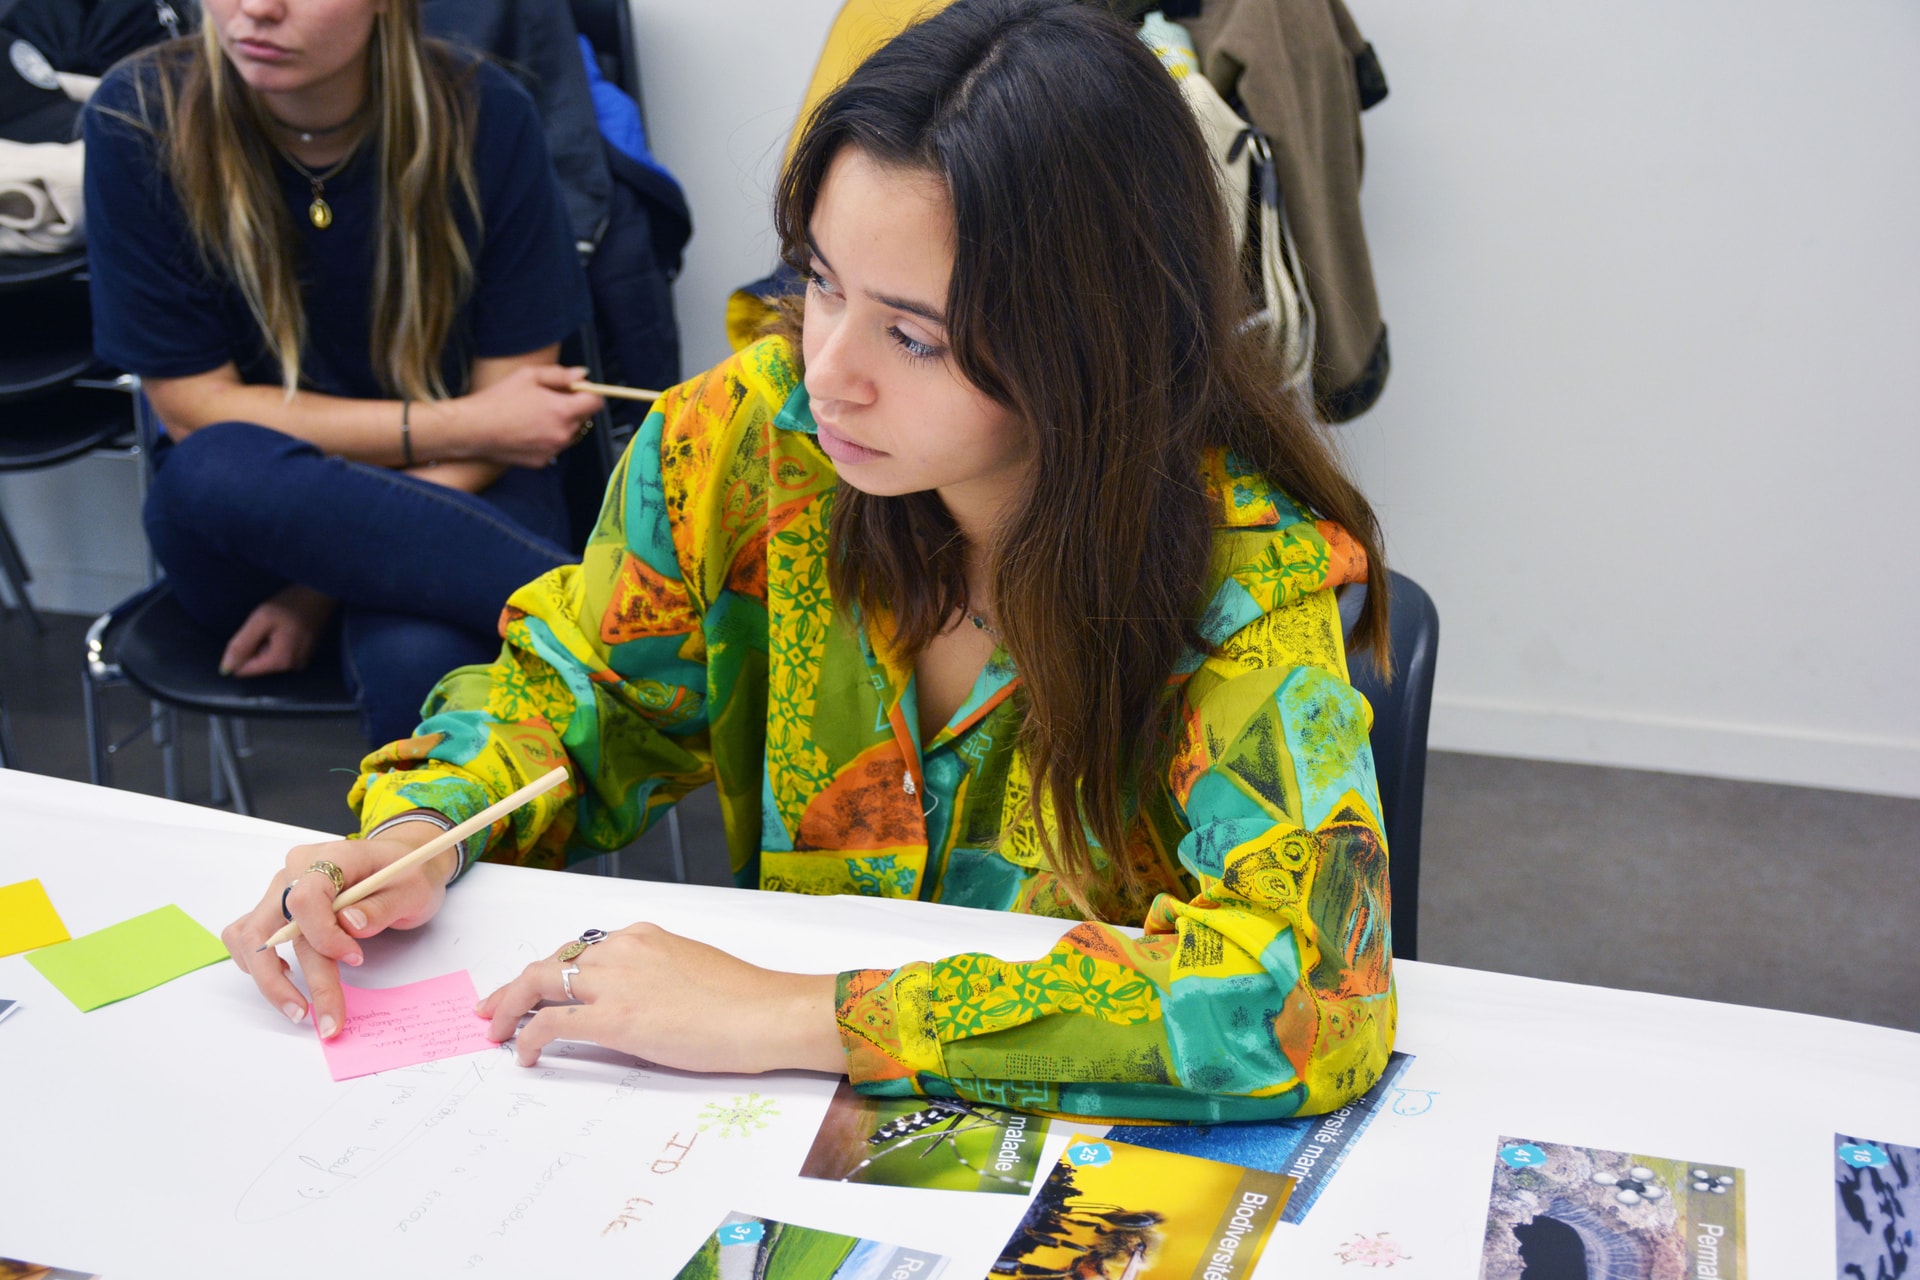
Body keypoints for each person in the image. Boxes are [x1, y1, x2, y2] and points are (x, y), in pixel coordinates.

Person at [223, 0, 1397, 1123]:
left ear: (1088, 340)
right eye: (822, 283)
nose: (828, 372)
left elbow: (1313, 993)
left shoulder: (1242, 566)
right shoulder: (745, 438)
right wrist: (416, 829)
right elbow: (575, 695)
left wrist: (791, 1012)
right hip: (758, 1132)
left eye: (912, 336)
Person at [83, 0, 606, 745]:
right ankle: (628, 637)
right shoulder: (139, 115)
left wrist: (320, 585)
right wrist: (463, 422)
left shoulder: (488, 112)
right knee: (211, 465)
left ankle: (614, 650)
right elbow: (196, 409)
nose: (257, 9)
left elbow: (516, 421)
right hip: (254, 530)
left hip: (475, 490)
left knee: (418, 662)